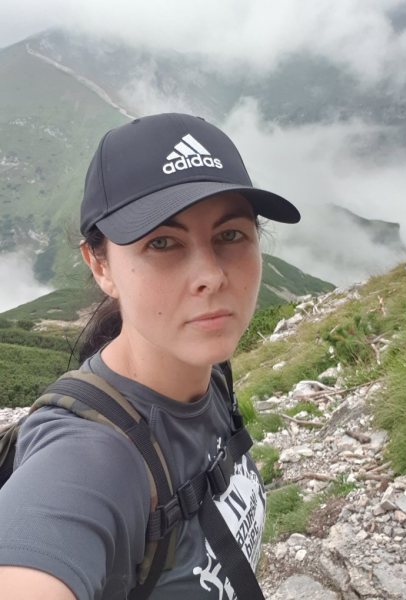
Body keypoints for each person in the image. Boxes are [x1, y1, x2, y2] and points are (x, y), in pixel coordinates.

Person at [0, 113, 300, 599]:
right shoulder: (88, 456)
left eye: (230, 235)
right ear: (100, 265)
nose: (211, 276)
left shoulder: (211, 373)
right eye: (162, 243)